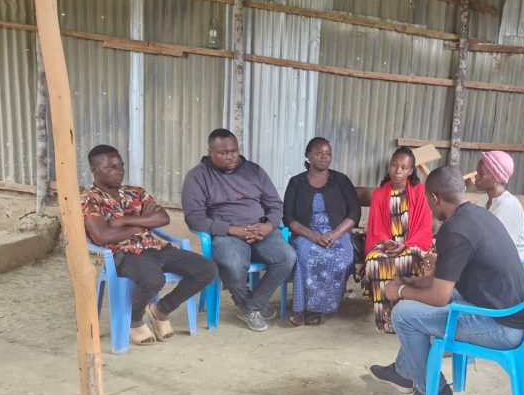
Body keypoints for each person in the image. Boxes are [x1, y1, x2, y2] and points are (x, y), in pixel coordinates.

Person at [369, 165, 524, 395]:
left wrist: (399, 291)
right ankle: (404, 372)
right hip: (502, 309)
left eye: (429, 203)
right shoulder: (478, 214)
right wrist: (408, 282)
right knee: (414, 307)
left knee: (404, 315)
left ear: (435, 198)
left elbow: (438, 296)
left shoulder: (454, 230)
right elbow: (442, 281)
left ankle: (433, 392)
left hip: (503, 326)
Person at [81, 145, 218, 346]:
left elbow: (162, 218)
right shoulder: (89, 199)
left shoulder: (135, 192)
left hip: (156, 248)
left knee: (208, 269)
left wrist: (125, 221)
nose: (119, 171)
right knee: (154, 279)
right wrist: (142, 223)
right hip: (123, 255)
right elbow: (104, 235)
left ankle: (161, 309)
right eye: (111, 167)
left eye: (121, 165)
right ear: (94, 170)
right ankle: (135, 319)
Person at [181, 128, 296, 332]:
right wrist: (233, 230)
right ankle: (248, 304)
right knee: (234, 264)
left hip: (260, 229)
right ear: (210, 152)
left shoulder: (254, 171)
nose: (230, 157)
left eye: (233, 151)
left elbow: (275, 204)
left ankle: (251, 306)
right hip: (226, 233)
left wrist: (268, 225)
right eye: (223, 153)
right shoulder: (197, 176)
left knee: (287, 257)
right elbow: (194, 218)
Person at [282, 137, 361, 327]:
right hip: (306, 234)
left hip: (338, 233)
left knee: (341, 257)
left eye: (328, 154)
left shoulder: (341, 180)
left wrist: (335, 234)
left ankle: (318, 308)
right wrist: (311, 235)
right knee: (305, 255)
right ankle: (301, 309)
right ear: (308, 156)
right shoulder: (296, 183)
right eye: (319, 153)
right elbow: (289, 217)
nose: (324, 157)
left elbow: (354, 212)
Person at [363, 147, 433, 334]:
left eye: (403, 167)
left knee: (413, 259)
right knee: (375, 262)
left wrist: (405, 244)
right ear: (389, 167)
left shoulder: (420, 192)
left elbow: (425, 227)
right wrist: (387, 242)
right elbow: (375, 228)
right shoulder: (379, 194)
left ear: (411, 170)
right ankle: (385, 320)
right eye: (394, 165)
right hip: (385, 244)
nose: (398, 170)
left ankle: (409, 319)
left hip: (413, 244)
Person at [474, 150, 524, 271]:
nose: (476, 177)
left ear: (495, 178)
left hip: (509, 269)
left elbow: (491, 244)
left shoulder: (508, 205)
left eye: (480, 174)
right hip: (490, 261)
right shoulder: (484, 199)